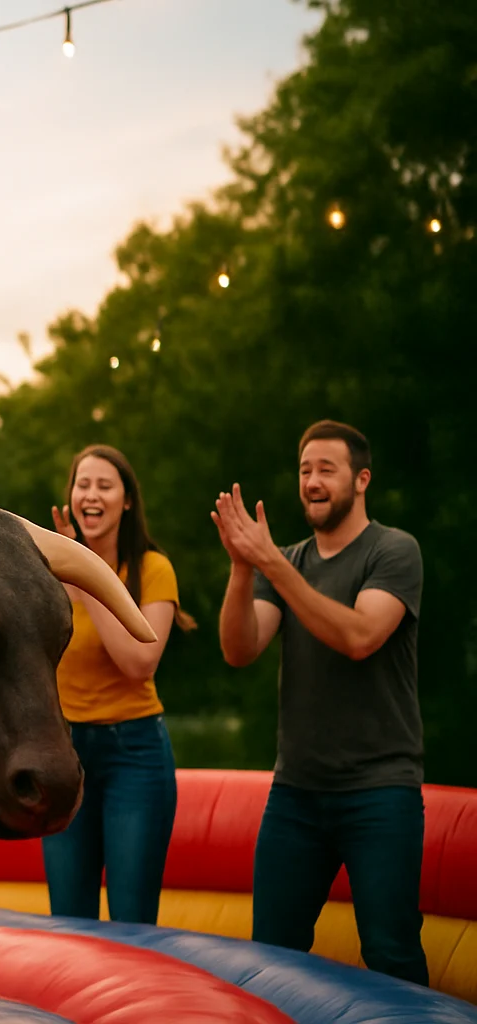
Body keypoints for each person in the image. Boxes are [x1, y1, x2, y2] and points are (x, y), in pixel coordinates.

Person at [214, 420, 427, 985]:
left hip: (380, 791)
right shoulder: (286, 562)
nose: (312, 481)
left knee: (393, 955)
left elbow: (360, 637)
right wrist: (242, 567)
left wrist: (272, 565)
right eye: (305, 470)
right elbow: (240, 649)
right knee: (271, 959)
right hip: (296, 795)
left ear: (361, 480)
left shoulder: (393, 550)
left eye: (326, 470)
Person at [39, 446, 194, 925]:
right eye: (82, 484)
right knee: (69, 922)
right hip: (66, 757)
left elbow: (139, 662)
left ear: (127, 501)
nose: (91, 494)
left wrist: (86, 575)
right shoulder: (46, 570)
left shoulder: (152, 569)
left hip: (135, 754)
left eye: (105, 486)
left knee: (132, 921)